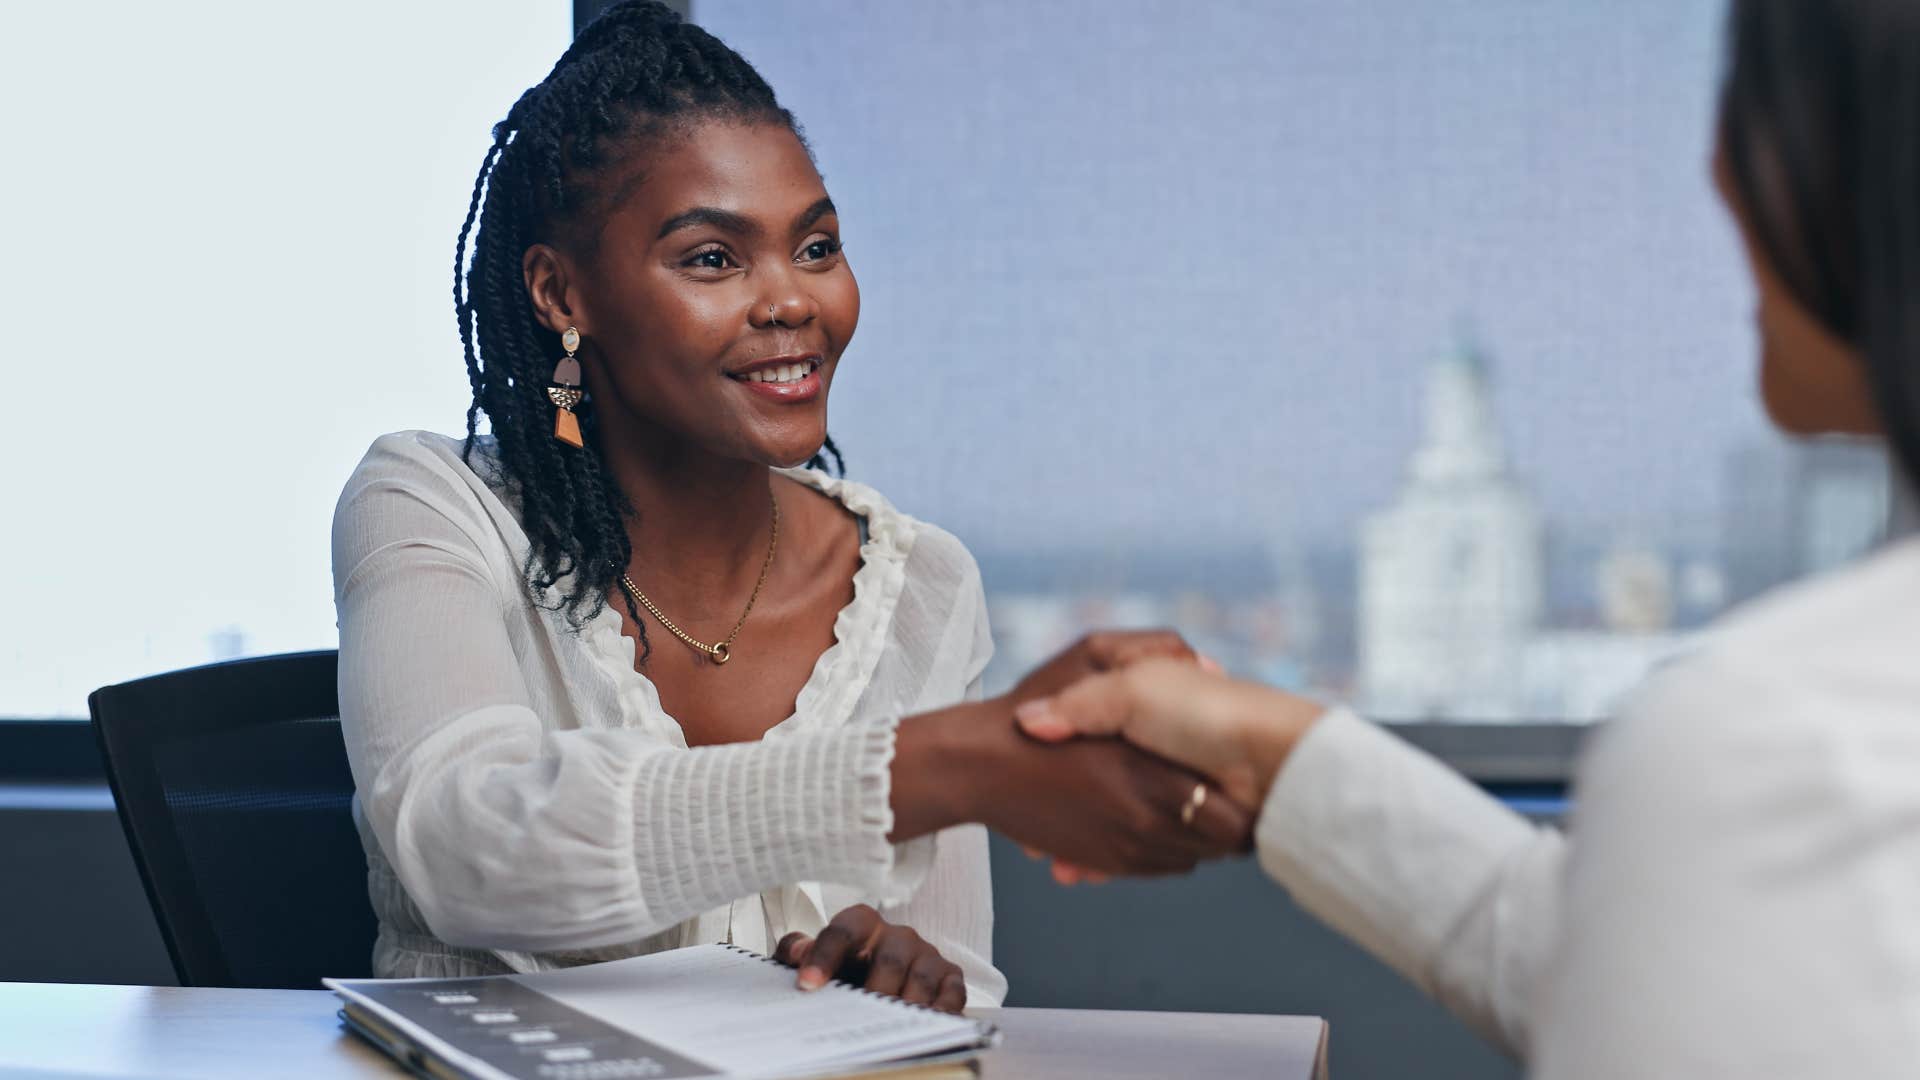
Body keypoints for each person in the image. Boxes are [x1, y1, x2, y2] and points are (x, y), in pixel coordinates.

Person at [1014, 0, 1920, 1071]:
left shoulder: (1780, 745)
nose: (1718, 173)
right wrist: (1272, 750)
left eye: (1762, 107)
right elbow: (1657, 966)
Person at [332, 0, 1250, 1013]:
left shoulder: (919, 588)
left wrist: (910, 983)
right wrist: (943, 765)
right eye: (713, 259)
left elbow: (970, 985)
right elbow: (463, 850)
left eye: (815, 247)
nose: (791, 301)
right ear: (560, 295)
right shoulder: (432, 506)